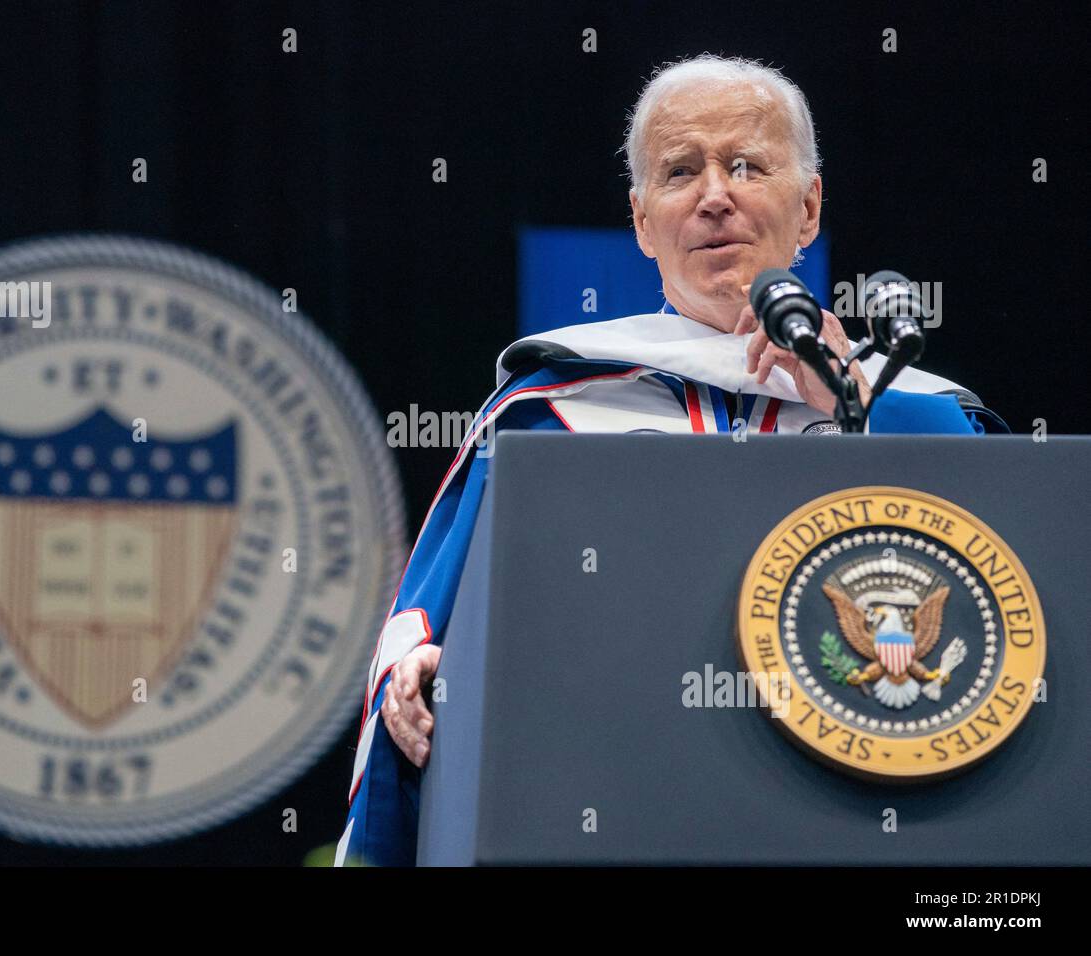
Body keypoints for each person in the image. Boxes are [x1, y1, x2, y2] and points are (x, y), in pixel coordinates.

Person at [335, 53, 1007, 867]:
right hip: (607, 819)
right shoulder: (550, 412)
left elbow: (1008, 588)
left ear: (810, 207)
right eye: (681, 171)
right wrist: (429, 668)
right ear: (643, 220)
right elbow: (425, 620)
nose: (714, 194)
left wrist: (850, 397)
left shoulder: (914, 408)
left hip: (867, 818)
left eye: (748, 165)